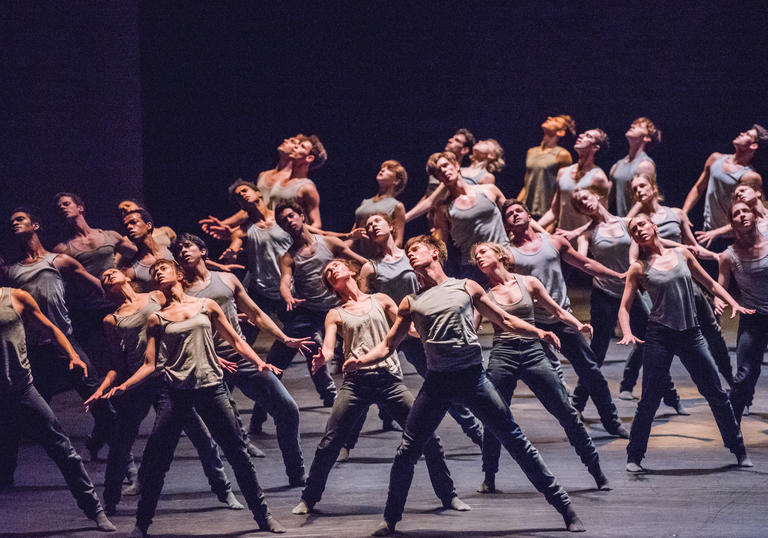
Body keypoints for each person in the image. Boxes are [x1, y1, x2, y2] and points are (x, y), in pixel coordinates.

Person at [352, 235, 584, 536]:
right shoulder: (411, 302)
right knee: (407, 450)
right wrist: (360, 361)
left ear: (435, 253)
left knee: (516, 442)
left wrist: (539, 333)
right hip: (438, 383)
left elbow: (504, 320)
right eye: (408, 251)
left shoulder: (466, 286)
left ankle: (566, 509)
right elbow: (387, 345)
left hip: (473, 378)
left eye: (416, 249)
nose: (410, 254)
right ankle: (390, 520)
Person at [101, 259, 286, 536]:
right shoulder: (157, 318)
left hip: (212, 388)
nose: (158, 272)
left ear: (178, 273)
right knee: (157, 462)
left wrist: (259, 362)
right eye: (154, 272)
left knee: (238, 455)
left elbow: (236, 340)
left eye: (163, 268)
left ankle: (264, 516)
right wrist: (124, 387)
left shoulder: (205, 306)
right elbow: (150, 364)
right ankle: (141, 525)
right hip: (177, 394)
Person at [291, 259, 470, 516]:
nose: (332, 270)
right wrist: (324, 357)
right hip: (356, 382)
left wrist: (431, 329)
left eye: (335, 266)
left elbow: (407, 327)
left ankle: (449, 495)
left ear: (351, 270)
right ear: (330, 285)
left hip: (389, 379)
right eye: (328, 272)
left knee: (428, 438)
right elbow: (329, 347)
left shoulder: (381, 300)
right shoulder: (336, 313)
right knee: (330, 443)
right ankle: (308, 499)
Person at [87, 268, 243, 515]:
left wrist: (208, 354)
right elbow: (116, 364)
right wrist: (102, 389)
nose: (108, 275)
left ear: (127, 277)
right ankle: (110, 500)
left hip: (167, 379)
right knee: (121, 442)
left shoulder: (156, 297)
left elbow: (182, 325)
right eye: (104, 276)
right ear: (105, 290)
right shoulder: (112, 319)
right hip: (137, 382)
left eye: (113, 271)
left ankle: (224, 491)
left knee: (202, 437)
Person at [172, 233, 310, 486]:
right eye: (178, 249)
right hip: (205, 365)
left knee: (287, 409)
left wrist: (283, 338)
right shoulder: (178, 291)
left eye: (187, 246)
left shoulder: (226, 279)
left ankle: (296, 472)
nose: (182, 251)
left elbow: (255, 314)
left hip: (240, 354)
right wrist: (210, 356)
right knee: (219, 431)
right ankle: (228, 487)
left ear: (203, 251)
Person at [471, 242, 609, 493]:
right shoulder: (482, 293)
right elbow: (471, 327)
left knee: (565, 411)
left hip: (534, 353)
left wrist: (579, 325)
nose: (478, 258)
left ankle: (596, 469)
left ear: (500, 255)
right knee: (494, 416)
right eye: (475, 256)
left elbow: (556, 310)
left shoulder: (528, 282)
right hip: (503, 354)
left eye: (483, 252)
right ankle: (489, 476)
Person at [618, 215, 752, 472]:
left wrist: (733, 302)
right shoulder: (639, 267)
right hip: (660, 335)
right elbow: (624, 308)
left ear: (654, 226)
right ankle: (634, 456)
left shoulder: (682, 255)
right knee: (650, 397)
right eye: (634, 230)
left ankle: (738, 449)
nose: (639, 230)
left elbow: (710, 283)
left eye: (642, 225)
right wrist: (626, 331)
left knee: (715, 392)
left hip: (691, 333)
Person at [503, 200, 629, 437]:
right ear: (506, 224)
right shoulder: (509, 255)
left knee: (591, 371)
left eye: (519, 210)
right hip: (534, 324)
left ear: (529, 217)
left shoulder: (553, 242)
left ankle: (611, 422)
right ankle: (571, 421)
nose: (515, 215)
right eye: (509, 215)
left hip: (563, 318)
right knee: (547, 379)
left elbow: (586, 264)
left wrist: (617, 275)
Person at [358, 212, 484, 447]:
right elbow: (366, 304)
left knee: (439, 384)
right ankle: (346, 443)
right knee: (364, 382)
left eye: (377, 221)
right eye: (368, 225)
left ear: (392, 226)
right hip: (393, 331)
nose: (373, 226)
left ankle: (476, 433)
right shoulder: (370, 267)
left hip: (420, 330)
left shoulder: (414, 257)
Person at [0, 287, 116, 532]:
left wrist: (73, 354)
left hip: (22, 389)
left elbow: (52, 329)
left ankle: (94, 509)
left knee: (63, 449)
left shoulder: (15, 297)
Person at [4, 207, 116, 460]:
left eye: (20, 219)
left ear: (36, 225)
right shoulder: (11, 271)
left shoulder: (58, 260)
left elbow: (97, 286)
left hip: (66, 343)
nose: (14, 223)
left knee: (100, 402)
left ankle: (102, 445)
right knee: (17, 411)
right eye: (11, 221)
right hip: (34, 349)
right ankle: (6, 473)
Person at [569, 187, 686, 413]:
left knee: (651, 343)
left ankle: (670, 396)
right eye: (580, 205)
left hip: (631, 292)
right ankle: (578, 404)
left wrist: (683, 248)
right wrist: (579, 234)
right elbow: (583, 261)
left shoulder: (626, 223)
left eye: (586, 198)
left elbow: (651, 241)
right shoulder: (588, 233)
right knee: (597, 351)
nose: (585, 204)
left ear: (597, 196)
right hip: (604, 294)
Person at [626, 172, 733, 388]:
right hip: (658, 286)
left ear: (653, 187)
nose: (638, 191)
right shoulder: (638, 224)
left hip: (685, 281)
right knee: (652, 337)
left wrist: (713, 256)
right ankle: (632, 385)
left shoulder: (677, 214)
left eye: (642, 186)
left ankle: (732, 382)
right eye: (634, 189)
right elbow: (633, 259)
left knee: (713, 332)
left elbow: (692, 248)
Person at [274, 201, 367, 404]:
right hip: (310, 311)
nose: (288, 222)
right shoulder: (289, 256)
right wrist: (287, 295)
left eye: (290, 216)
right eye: (283, 221)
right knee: (282, 356)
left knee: (365, 349)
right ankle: (261, 411)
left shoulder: (329, 243)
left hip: (338, 306)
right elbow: (284, 281)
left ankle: (386, 412)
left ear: (301, 216)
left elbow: (362, 262)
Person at [53, 192, 128, 376]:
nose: (62, 208)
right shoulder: (62, 249)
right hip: (90, 311)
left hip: (117, 303)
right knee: (104, 361)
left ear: (80, 207)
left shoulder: (110, 236)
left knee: (127, 354)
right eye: (59, 207)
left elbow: (138, 252)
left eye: (66, 203)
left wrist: (123, 273)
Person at [717, 201, 768, 422]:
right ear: (732, 223)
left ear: (755, 216)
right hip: (752, 317)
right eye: (736, 214)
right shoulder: (728, 256)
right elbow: (721, 285)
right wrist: (718, 302)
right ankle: (732, 423)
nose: (742, 215)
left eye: (745, 211)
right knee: (745, 373)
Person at [427, 151, 509, 283]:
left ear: (456, 165)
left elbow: (513, 214)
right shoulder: (443, 208)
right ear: (438, 179)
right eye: (438, 171)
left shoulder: (489, 190)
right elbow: (439, 243)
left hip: (503, 256)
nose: (443, 171)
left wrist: (544, 233)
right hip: (474, 266)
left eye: (445, 165)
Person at [683, 125, 766, 241]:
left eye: (747, 134)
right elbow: (699, 188)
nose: (741, 133)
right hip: (707, 231)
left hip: (733, 237)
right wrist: (684, 212)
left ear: (753, 146)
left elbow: (754, 212)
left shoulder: (750, 176)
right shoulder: (715, 158)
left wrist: (717, 232)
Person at [537, 128, 611, 233]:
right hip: (563, 238)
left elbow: (603, 218)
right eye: (583, 133)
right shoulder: (563, 172)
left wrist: (577, 235)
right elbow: (554, 211)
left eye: (588, 136)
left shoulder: (598, 177)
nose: (581, 135)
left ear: (595, 148)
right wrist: (530, 228)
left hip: (587, 243)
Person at [516, 115, 575, 219]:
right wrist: (516, 205)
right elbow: (526, 184)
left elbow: (564, 190)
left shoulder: (562, 154)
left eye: (555, 120)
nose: (549, 118)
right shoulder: (531, 151)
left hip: (546, 212)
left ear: (560, 132)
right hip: (527, 209)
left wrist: (554, 218)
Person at [349, 160, 408, 255]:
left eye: (389, 169)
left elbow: (398, 240)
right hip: (356, 255)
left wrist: (387, 260)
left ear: (396, 181)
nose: (383, 170)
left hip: (378, 258)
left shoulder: (397, 206)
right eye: (382, 168)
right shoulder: (365, 202)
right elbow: (353, 235)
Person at [268, 134, 326, 227]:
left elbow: (316, 223)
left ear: (309, 158)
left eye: (301, 147)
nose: (295, 146)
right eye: (298, 144)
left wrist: (300, 237)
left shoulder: (307, 187)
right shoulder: (281, 181)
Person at [609, 117, 659, 217]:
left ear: (647, 138)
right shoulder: (617, 165)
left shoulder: (645, 164)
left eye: (639, 126)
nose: (632, 126)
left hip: (639, 224)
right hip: (624, 222)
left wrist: (626, 222)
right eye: (633, 124)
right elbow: (607, 198)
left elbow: (643, 200)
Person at [118, 208, 174, 292]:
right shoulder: (131, 269)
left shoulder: (172, 251)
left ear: (149, 225)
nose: (129, 227)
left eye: (133, 222)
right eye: (126, 226)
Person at [695, 183, 768, 245]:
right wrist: (714, 233)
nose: (739, 194)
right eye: (737, 196)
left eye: (743, 191)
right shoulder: (751, 225)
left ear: (758, 193)